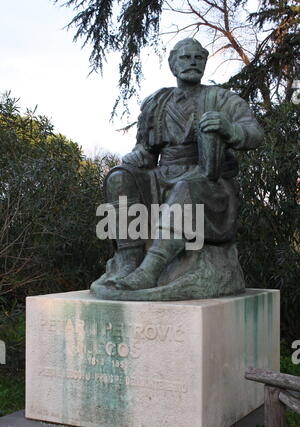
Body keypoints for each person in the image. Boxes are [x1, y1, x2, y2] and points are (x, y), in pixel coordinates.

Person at [91, 38, 264, 297]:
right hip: (162, 175)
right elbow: (146, 150)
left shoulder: (221, 98)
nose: (191, 62)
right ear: (173, 64)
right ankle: (128, 261)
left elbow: (255, 133)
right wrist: (137, 156)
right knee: (119, 177)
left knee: (187, 186)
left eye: (197, 57)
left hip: (208, 180)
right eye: (184, 57)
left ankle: (150, 270)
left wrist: (231, 129)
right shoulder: (158, 102)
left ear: (205, 62)